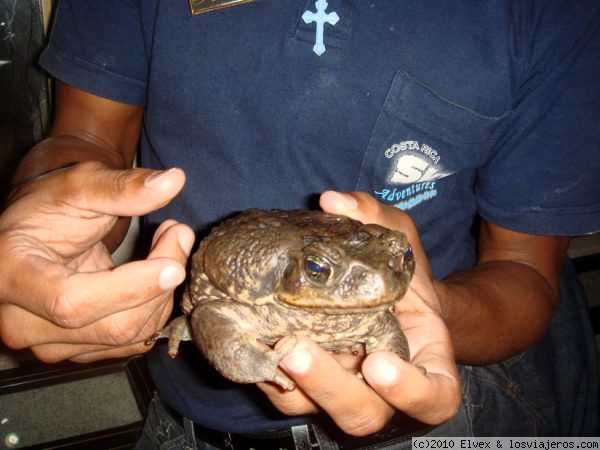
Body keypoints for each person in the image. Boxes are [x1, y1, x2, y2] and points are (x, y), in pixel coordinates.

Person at [0, 0, 599, 447]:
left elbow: (526, 270)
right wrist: (48, 219)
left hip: (445, 418)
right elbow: (85, 136)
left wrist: (426, 308)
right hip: (190, 413)